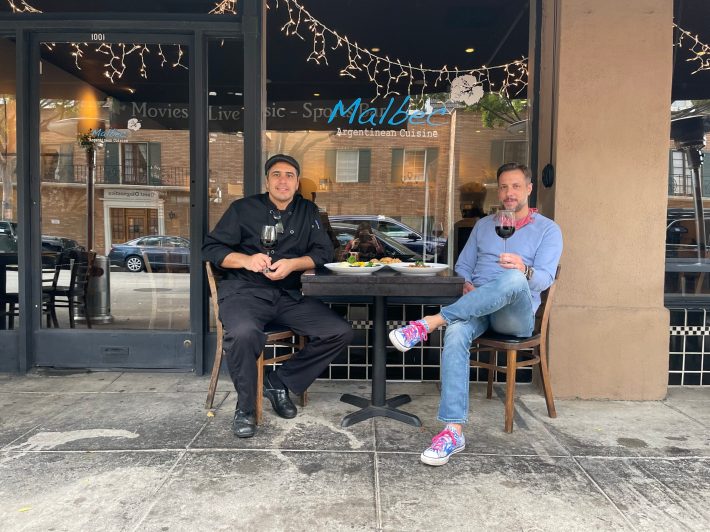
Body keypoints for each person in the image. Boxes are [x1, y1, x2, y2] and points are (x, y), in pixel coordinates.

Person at [388, 162, 562, 466]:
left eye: (516, 186)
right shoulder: (484, 225)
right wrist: (467, 283)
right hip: (478, 307)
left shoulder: (548, 229)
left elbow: (545, 278)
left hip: (515, 316)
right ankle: (453, 431)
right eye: (504, 187)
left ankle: (430, 322)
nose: (509, 193)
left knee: (511, 279)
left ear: (529, 189)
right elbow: (464, 266)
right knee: (455, 333)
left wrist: (523, 269)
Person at [202, 153, 353, 438]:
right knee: (245, 333)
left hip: (287, 295)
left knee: (340, 332)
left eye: (289, 176)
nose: (283, 180)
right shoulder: (242, 209)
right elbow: (211, 249)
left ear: (297, 183)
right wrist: (246, 260)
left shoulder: (308, 211)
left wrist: (294, 265)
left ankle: (279, 381)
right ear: (267, 181)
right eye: (277, 175)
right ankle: (245, 408)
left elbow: (325, 253)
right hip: (244, 292)